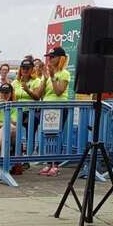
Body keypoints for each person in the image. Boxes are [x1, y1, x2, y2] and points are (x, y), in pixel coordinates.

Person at [40, 46, 71, 177]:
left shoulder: (65, 73)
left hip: (59, 107)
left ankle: (56, 164)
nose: (50, 60)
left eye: (53, 57)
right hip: (47, 106)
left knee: (57, 135)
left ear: (60, 58)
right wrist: (44, 78)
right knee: (47, 135)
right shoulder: (47, 73)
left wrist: (52, 77)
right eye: (49, 57)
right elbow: (40, 93)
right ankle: (48, 163)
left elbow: (59, 91)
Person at [0, 83, 18, 157]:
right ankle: (0, 160)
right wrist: (4, 125)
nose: (4, 95)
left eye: (7, 92)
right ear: (0, 93)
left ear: (11, 94)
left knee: (7, 128)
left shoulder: (14, 106)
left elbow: (14, 123)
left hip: (12, 131)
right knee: (1, 130)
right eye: (2, 92)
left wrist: (6, 109)